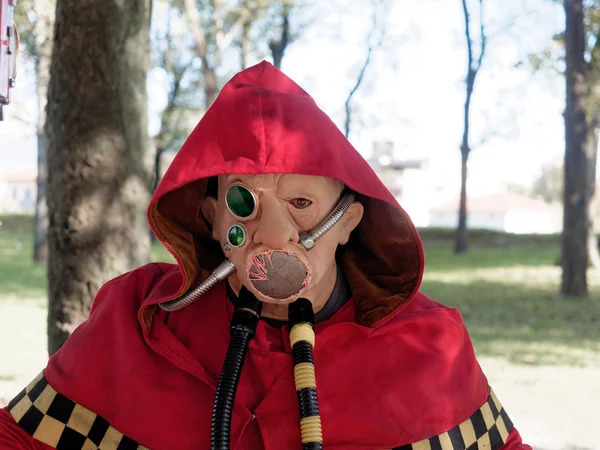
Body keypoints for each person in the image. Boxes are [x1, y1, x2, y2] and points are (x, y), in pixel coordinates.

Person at [0, 61, 531, 450]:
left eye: (301, 204)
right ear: (210, 218)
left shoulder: (429, 343)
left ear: (347, 221)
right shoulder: (134, 318)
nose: (271, 237)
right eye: (243, 204)